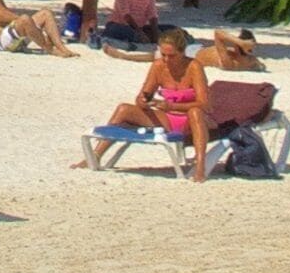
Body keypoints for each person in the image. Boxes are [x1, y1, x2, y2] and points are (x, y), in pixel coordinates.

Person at [84, 35, 206, 173]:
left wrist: (172, 106)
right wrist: (143, 102)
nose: (166, 59)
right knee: (123, 109)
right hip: (167, 119)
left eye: (171, 56)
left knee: (195, 112)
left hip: (192, 120)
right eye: (163, 55)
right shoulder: (159, 66)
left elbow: (204, 104)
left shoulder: (194, 67)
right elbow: (142, 95)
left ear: (182, 52)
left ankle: (201, 166)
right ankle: (95, 156)